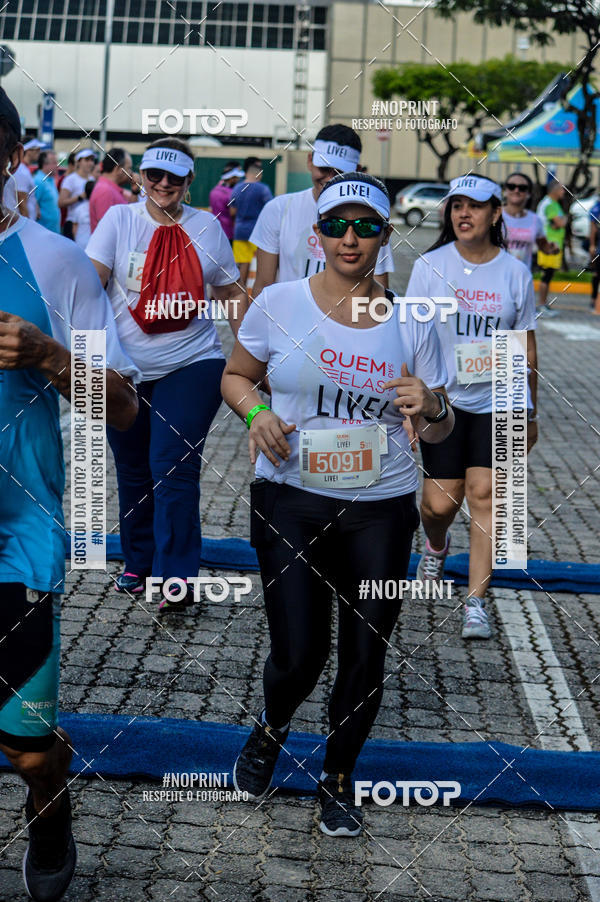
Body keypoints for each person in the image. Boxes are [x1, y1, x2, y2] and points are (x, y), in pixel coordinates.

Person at [222, 171, 453, 836]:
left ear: (384, 236)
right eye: (337, 225)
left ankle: (338, 775)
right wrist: (256, 412)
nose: (350, 238)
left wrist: (433, 406)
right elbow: (236, 376)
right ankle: (271, 726)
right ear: (316, 234)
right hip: (289, 496)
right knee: (299, 652)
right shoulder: (278, 302)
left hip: (380, 505)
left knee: (364, 650)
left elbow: (437, 425)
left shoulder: (413, 318)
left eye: (367, 226)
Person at [0, 87, 139, 902]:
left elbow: (123, 405)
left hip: (19, 541)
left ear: (12, 160)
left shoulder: (52, 260)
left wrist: (51, 355)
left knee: (23, 746)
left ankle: (50, 806)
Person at [86, 137, 247, 610]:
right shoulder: (119, 220)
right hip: (126, 370)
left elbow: (231, 291)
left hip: (192, 362)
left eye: (173, 178)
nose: (162, 185)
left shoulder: (207, 227)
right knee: (133, 468)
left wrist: (259, 353)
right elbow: (91, 283)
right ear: (141, 176)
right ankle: (140, 560)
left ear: (188, 182)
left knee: (171, 466)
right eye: (154, 175)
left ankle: (177, 579)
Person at [407, 175, 538, 640]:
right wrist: (412, 406)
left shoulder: (515, 273)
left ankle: (476, 601)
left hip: (500, 398)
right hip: (443, 402)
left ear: (495, 214)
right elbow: (412, 337)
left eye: (475, 206)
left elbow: (523, 343)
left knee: (486, 496)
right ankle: (436, 545)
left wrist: (532, 409)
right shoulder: (429, 266)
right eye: (456, 205)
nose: (463, 214)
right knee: (438, 504)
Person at [250, 124, 395, 296]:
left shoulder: (368, 219)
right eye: (324, 169)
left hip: (347, 320)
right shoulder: (278, 209)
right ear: (310, 160)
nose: (330, 178)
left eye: (339, 172)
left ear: (357, 170)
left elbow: (378, 290)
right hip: (289, 319)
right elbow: (264, 286)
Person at [230, 156, 273, 288]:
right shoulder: (263, 189)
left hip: (240, 230)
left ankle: (240, 292)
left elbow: (232, 212)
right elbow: (270, 209)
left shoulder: (237, 189)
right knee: (261, 264)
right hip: (258, 232)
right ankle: (258, 293)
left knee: (243, 263)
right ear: (258, 174)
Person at [502, 172, 558, 270]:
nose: (516, 190)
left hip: (522, 277)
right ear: (505, 191)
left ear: (529, 194)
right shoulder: (493, 216)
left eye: (522, 188)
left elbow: (543, 246)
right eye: (511, 186)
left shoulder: (535, 220)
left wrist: (551, 248)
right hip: (496, 277)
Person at [89, 147, 140, 232]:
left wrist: (135, 191)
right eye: (129, 168)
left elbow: (131, 215)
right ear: (118, 169)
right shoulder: (105, 191)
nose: (131, 173)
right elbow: (107, 230)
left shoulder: (110, 189)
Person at [537, 177, 568, 317]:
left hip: (554, 244)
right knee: (546, 275)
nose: (563, 192)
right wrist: (563, 220)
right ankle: (541, 305)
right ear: (555, 190)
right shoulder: (549, 204)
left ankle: (544, 304)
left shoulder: (554, 203)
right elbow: (560, 223)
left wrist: (561, 221)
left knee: (548, 275)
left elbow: (559, 222)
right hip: (548, 245)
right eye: (561, 189)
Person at [58, 148, 96, 240]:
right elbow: (61, 203)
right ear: (78, 162)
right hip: (72, 224)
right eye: (86, 160)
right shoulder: (70, 179)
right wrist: (79, 197)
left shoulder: (92, 179)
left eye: (92, 160)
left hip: (87, 223)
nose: (90, 163)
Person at [209, 162, 242, 242]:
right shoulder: (231, 194)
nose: (238, 179)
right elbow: (233, 213)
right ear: (231, 178)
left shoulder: (213, 191)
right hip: (229, 233)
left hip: (216, 232)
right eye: (236, 177)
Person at [14, 137, 43, 219]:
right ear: (28, 151)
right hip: (22, 224)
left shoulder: (23, 169)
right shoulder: (21, 170)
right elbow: (21, 201)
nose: (39, 152)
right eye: (37, 150)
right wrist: (27, 225)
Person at [33, 150, 61, 233]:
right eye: (54, 163)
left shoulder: (50, 180)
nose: (57, 165)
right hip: (43, 233)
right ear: (45, 164)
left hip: (52, 233)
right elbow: (32, 205)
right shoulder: (38, 181)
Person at [70, 179, 94, 248]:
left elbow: (74, 228)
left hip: (80, 244)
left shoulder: (79, 209)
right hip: (86, 245)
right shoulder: (79, 209)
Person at [589, 194, 600, 311]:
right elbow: (593, 228)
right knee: (597, 274)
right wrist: (592, 245)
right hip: (599, 247)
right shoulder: (597, 208)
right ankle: (593, 299)